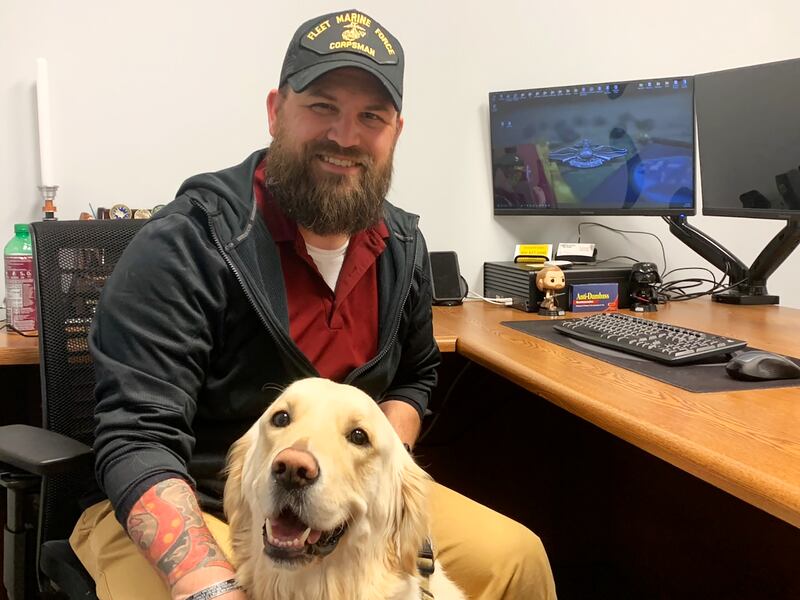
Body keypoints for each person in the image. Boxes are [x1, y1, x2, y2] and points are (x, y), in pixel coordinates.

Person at [69, 9, 557, 600]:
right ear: (276, 111)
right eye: (322, 106)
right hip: (187, 502)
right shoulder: (187, 243)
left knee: (514, 560)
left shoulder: (401, 247)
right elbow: (136, 441)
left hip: (339, 504)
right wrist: (205, 581)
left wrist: (382, 479)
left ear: (395, 132)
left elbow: (417, 377)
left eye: (369, 117)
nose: (345, 137)